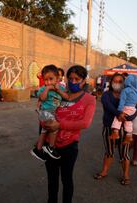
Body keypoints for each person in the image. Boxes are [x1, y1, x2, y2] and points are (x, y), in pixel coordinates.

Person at [42, 65, 96, 203]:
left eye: (76, 79)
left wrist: (59, 125)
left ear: (83, 80)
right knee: (51, 181)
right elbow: (45, 111)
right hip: (50, 145)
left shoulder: (89, 99)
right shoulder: (58, 94)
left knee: (67, 180)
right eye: (70, 78)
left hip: (69, 146)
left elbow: (85, 123)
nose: (72, 81)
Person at [93, 73, 134, 185]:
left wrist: (129, 116)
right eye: (114, 81)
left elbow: (133, 110)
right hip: (109, 128)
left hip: (124, 129)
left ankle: (126, 175)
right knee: (109, 152)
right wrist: (119, 114)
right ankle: (104, 171)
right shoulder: (106, 95)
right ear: (111, 83)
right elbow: (108, 106)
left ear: (124, 83)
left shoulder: (129, 95)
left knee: (124, 153)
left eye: (120, 81)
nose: (117, 84)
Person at [30, 65, 68, 160]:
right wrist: (47, 89)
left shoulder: (60, 88)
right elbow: (42, 98)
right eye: (46, 80)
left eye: (51, 79)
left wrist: (58, 90)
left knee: (44, 131)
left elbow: (66, 97)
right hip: (45, 112)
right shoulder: (43, 88)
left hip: (52, 112)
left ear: (57, 78)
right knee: (54, 128)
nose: (48, 82)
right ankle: (50, 147)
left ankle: (38, 150)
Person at [110, 74, 137, 141]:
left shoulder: (125, 90)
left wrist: (119, 110)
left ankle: (115, 132)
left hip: (126, 107)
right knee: (129, 122)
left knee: (117, 119)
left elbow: (122, 101)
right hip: (133, 109)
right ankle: (129, 135)